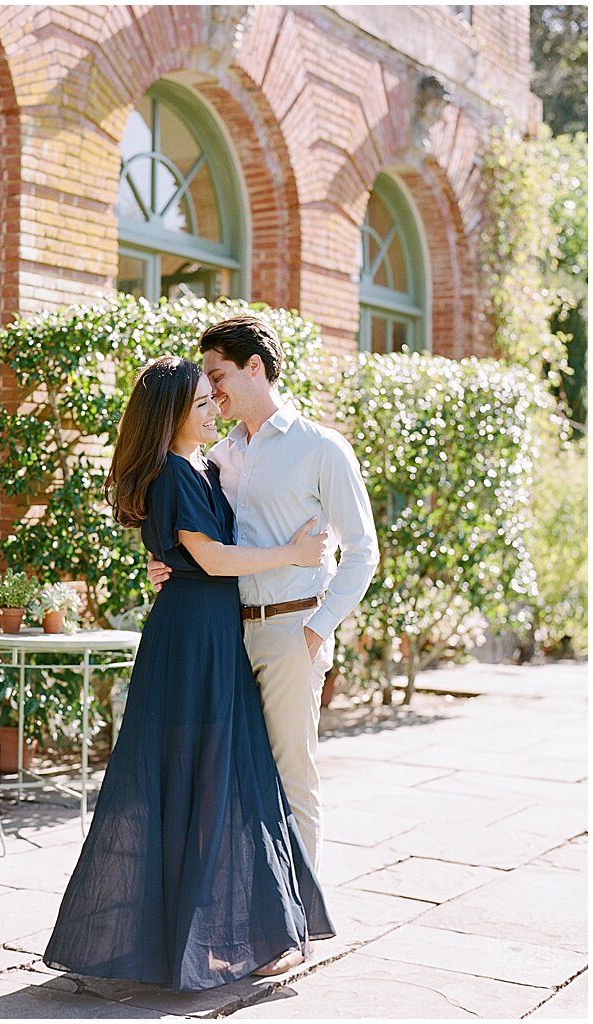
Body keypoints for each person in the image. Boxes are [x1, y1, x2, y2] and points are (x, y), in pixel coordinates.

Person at [43, 356, 333, 992]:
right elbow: (210, 554)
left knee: (223, 775)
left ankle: (227, 935)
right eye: (201, 402)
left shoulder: (204, 465)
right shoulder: (173, 472)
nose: (213, 410)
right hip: (191, 638)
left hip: (212, 631)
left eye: (212, 399)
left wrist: (176, 561)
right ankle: (196, 942)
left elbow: (192, 554)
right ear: (171, 414)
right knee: (198, 777)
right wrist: (293, 554)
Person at [151, 314, 379, 871]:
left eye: (218, 373)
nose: (211, 389)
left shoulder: (321, 448)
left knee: (291, 775)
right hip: (226, 632)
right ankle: (253, 916)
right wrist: (164, 564)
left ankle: (300, 921)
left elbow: (363, 552)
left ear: (255, 368)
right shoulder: (219, 454)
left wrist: (315, 630)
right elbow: (202, 536)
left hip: (289, 630)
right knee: (235, 775)